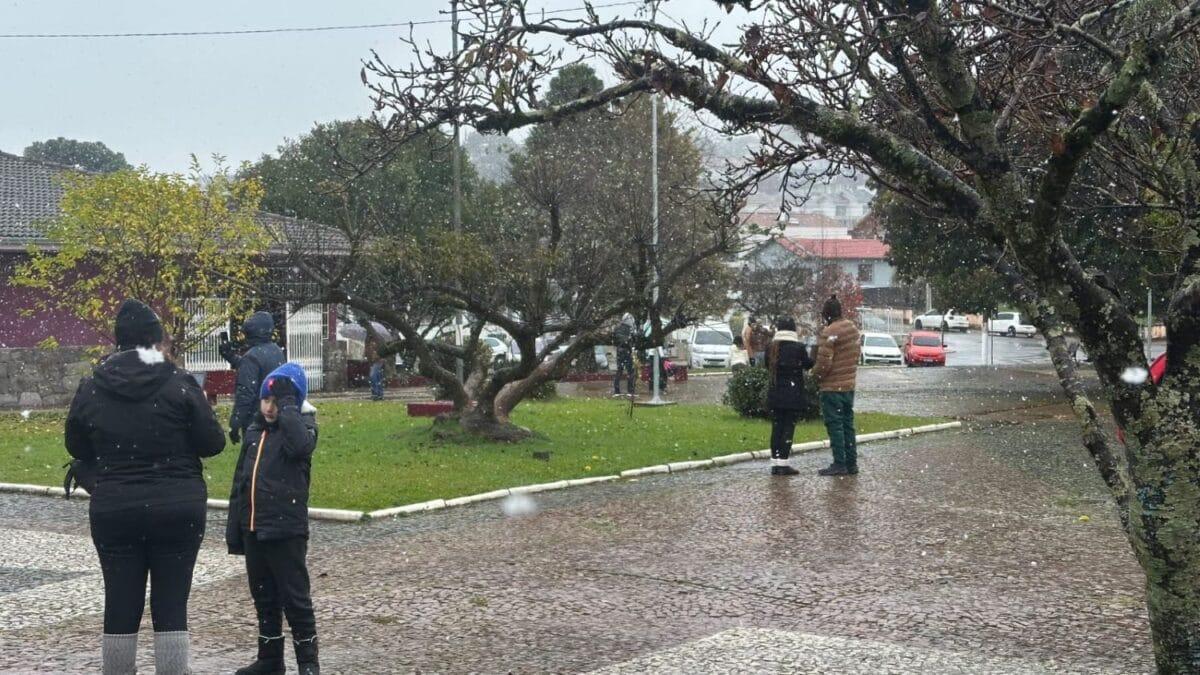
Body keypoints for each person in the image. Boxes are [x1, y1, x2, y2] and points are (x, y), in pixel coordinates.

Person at [65, 299, 226, 675]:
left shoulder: (93, 386)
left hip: (116, 508)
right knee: (171, 603)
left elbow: (76, 446)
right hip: (177, 506)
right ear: (156, 341)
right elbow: (212, 443)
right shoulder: (180, 383)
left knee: (120, 602)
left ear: (118, 341)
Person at [227, 363, 321, 675]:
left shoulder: (302, 429)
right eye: (266, 400)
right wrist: (237, 527)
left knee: (295, 598)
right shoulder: (255, 431)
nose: (269, 407)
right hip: (254, 528)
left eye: (277, 401)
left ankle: (308, 663)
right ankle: (270, 658)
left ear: (292, 403)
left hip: (285, 529)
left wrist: (289, 406)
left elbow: (300, 447)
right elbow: (241, 481)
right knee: (264, 595)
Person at [811, 294, 861, 476]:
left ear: (826, 314)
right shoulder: (852, 329)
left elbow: (824, 363)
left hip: (832, 387)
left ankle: (839, 463)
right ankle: (851, 463)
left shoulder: (830, 332)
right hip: (848, 386)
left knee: (835, 425)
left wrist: (814, 375)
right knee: (848, 424)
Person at [222, 311, 286, 445]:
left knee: (253, 454)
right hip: (274, 413)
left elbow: (245, 393)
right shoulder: (276, 350)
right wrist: (231, 357)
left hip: (256, 418)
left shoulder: (251, 356)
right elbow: (259, 368)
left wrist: (235, 422)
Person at [765, 316, 814, 476]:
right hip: (793, 394)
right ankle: (783, 463)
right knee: (788, 428)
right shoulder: (798, 348)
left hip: (775, 393)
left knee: (776, 427)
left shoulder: (771, 347)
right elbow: (807, 364)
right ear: (793, 330)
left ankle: (775, 462)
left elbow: (767, 366)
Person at [612, 313, 637, 397]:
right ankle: (630, 390)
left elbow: (615, 340)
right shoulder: (630, 329)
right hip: (626, 352)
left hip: (620, 351)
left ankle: (617, 391)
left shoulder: (618, 328)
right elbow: (632, 340)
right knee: (630, 371)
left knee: (619, 371)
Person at [365, 327, 386, 401]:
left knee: (373, 376)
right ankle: (379, 394)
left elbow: (381, 351)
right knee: (378, 378)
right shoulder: (369, 341)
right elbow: (368, 353)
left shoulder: (377, 340)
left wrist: (376, 354)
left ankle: (376, 394)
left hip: (378, 361)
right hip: (374, 362)